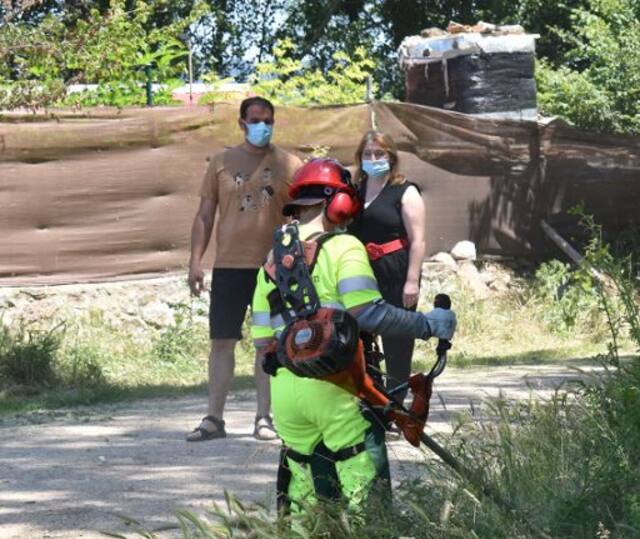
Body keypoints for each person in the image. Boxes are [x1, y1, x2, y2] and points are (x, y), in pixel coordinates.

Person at [249, 158, 455, 511]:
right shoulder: (344, 247)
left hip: (286, 394)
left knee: (304, 492)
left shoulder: (270, 261)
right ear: (338, 202)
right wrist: (428, 325)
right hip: (338, 387)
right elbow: (368, 312)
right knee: (362, 487)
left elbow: (261, 342)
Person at [186, 96, 301, 442]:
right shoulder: (221, 162)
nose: (262, 126)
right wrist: (195, 262)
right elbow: (205, 215)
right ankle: (213, 419)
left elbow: (301, 216)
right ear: (241, 123)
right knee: (222, 341)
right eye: (255, 120)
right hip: (229, 267)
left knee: (269, 344)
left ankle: (264, 418)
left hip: (274, 269)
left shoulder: (290, 164)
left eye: (268, 120)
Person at [347, 129, 428, 391]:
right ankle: (374, 403)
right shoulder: (354, 192)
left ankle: (396, 407)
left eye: (379, 153)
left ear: (391, 156)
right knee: (360, 340)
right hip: (361, 273)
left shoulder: (405, 191)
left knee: (397, 343)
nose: (373, 158)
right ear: (360, 158)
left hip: (396, 271)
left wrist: (412, 281)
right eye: (367, 153)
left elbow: (418, 240)